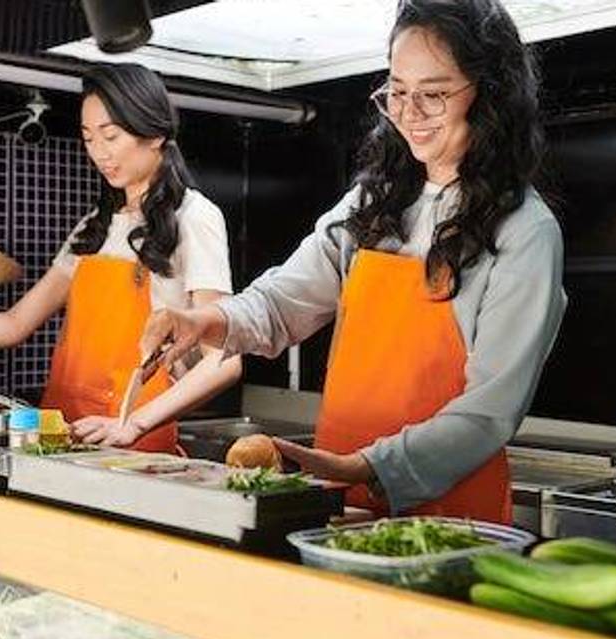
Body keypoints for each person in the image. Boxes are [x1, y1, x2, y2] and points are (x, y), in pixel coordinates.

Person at [140, 0, 566, 522]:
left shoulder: (525, 230)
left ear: (491, 94)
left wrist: (368, 466)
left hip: (449, 517)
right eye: (397, 92)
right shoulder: (374, 202)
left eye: (432, 95)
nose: (409, 114)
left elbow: (489, 413)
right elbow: (283, 301)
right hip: (337, 502)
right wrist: (202, 320)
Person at [0, 63, 240, 453]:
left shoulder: (196, 217)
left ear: (155, 134)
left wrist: (133, 424)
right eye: (88, 138)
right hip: (63, 436)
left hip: (133, 444)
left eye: (111, 136)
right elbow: (16, 322)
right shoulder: (95, 225)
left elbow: (224, 359)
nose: (99, 153)